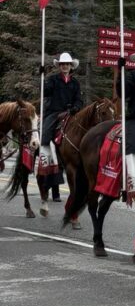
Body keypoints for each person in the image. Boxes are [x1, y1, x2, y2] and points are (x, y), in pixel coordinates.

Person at [41, 52, 83, 198]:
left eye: (67, 64)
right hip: (54, 113)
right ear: (59, 66)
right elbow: (44, 92)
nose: (65, 66)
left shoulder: (75, 83)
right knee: (45, 136)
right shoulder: (53, 80)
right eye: (62, 64)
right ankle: (42, 157)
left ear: (71, 66)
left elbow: (79, 100)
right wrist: (42, 79)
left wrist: (75, 109)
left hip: (70, 113)